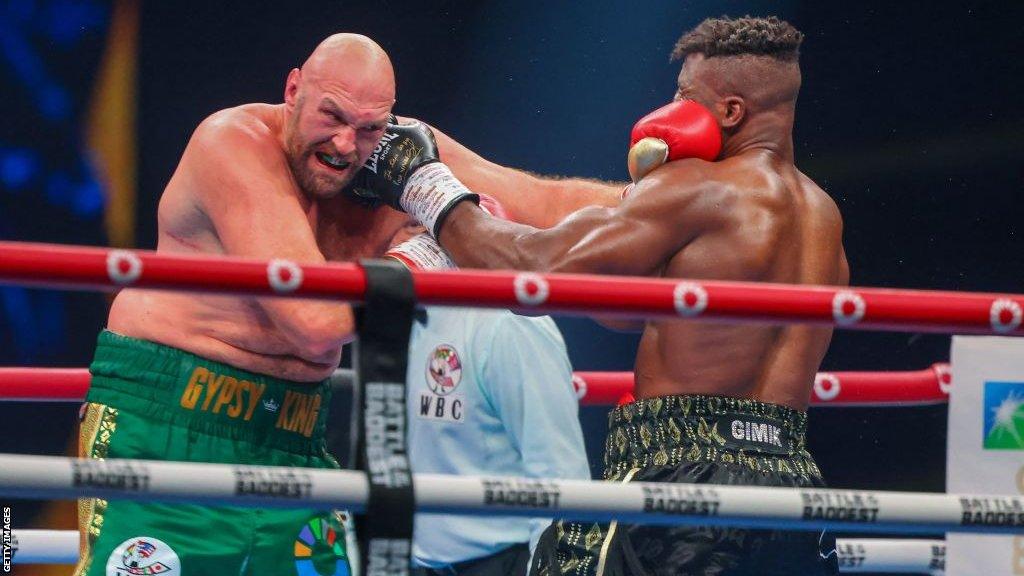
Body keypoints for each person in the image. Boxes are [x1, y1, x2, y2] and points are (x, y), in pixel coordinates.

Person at [347, 16, 845, 576]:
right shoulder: (822, 217)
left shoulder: (699, 189)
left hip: (681, 479)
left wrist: (426, 188)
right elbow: (635, 314)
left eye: (685, 95)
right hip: (793, 483)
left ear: (731, 112)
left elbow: (534, 270)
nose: (672, 108)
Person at [75, 34, 410, 576]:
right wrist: (423, 255)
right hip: (170, 420)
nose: (347, 144)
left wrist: (450, 204)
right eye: (332, 116)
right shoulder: (231, 140)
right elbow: (315, 322)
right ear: (293, 89)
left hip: (294, 434)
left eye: (370, 128)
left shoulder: (388, 161)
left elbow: (518, 204)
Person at [384, 199, 591, 576]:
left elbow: (560, 469)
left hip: (499, 560)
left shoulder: (511, 324)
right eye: (404, 227)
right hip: (413, 558)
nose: (403, 244)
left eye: (417, 227)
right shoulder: (397, 320)